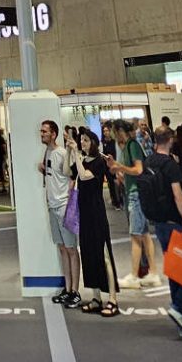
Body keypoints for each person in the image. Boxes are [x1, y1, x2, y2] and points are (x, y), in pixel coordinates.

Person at [141, 127, 182, 340]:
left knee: (177, 270)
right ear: (170, 140)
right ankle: (179, 306)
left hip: (159, 224)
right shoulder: (169, 165)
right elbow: (178, 195)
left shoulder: (148, 162)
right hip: (175, 224)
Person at [72, 128, 120, 315]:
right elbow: (68, 172)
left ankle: (113, 299)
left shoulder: (99, 161)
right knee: (88, 253)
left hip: (96, 213)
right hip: (84, 214)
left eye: (85, 140)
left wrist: (76, 156)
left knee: (104, 255)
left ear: (93, 142)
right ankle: (96, 297)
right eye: (81, 140)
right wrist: (70, 152)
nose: (82, 143)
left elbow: (84, 176)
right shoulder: (83, 160)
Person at [109, 119, 158, 288]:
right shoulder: (130, 146)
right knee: (144, 234)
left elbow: (138, 169)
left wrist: (119, 168)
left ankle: (134, 275)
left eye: (115, 132)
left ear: (120, 131)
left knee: (136, 236)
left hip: (136, 194)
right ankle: (152, 272)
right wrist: (121, 171)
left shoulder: (132, 146)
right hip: (137, 192)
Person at [38, 120, 81, 305]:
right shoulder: (47, 152)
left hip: (63, 205)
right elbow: (54, 175)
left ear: (53, 134)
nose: (42, 134)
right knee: (62, 248)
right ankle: (68, 288)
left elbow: (73, 176)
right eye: (41, 131)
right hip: (52, 205)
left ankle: (75, 291)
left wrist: (69, 199)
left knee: (71, 248)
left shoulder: (63, 153)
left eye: (45, 131)